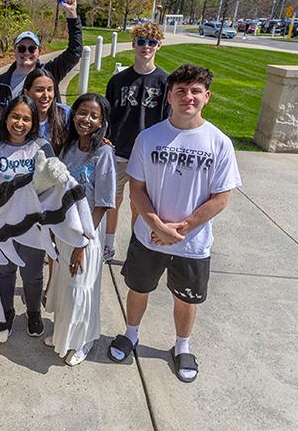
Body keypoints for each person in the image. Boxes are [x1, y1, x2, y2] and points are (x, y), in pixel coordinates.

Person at [107, 64, 241, 385]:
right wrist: (156, 224)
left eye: (196, 91)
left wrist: (181, 228)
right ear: (170, 96)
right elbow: (136, 188)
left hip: (192, 244)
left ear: (206, 97)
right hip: (148, 236)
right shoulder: (149, 137)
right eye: (181, 91)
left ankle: (182, 347)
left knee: (185, 297)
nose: (188, 97)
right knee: (138, 289)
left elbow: (221, 197)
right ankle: (131, 335)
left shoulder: (218, 143)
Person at [45, 93, 115, 366]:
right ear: (73, 114)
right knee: (66, 285)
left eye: (93, 116)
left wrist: (82, 243)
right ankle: (64, 334)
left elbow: (104, 203)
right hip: (64, 227)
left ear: (101, 122)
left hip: (87, 233)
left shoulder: (104, 153)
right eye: (82, 113)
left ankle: (83, 341)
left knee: (81, 287)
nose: (86, 119)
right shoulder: (67, 147)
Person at [0, 95, 55, 337]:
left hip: (32, 226)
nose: (19, 123)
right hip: (2, 226)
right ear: (6, 117)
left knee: (31, 274)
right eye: (15, 116)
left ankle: (33, 313)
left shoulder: (42, 147)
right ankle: (7, 310)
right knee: (5, 270)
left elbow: (52, 187)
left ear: (33, 122)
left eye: (26, 118)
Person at [103, 22, 169, 262]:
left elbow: (167, 121)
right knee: (113, 201)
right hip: (118, 150)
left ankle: (135, 248)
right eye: (141, 42)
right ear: (134, 45)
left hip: (147, 156)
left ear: (159, 45)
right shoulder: (118, 81)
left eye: (152, 42)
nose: (146, 47)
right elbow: (107, 116)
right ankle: (108, 245)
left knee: (139, 205)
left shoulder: (165, 82)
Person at [0, 0, 83, 107]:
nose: (26, 52)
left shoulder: (50, 72)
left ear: (39, 51)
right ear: (14, 50)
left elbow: (75, 52)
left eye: (32, 48)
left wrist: (72, 15)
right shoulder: (0, 82)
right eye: (21, 48)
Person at [22, 68, 71, 155]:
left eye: (49, 89)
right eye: (39, 90)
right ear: (27, 93)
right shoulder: (18, 117)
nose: (46, 95)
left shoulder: (65, 113)